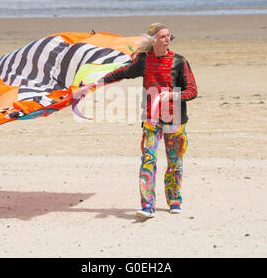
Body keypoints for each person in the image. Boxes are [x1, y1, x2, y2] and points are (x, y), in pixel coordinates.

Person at [74, 23, 198, 218]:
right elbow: (119, 73)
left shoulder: (179, 62)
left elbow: (192, 91)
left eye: (169, 36)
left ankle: (174, 199)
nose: (168, 39)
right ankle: (147, 205)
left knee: (174, 162)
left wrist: (173, 96)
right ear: (153, 41)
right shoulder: (144, 62)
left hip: (175, 119)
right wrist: (90, 85)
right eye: (163, 36)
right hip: (151, 118)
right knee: (148, 159)